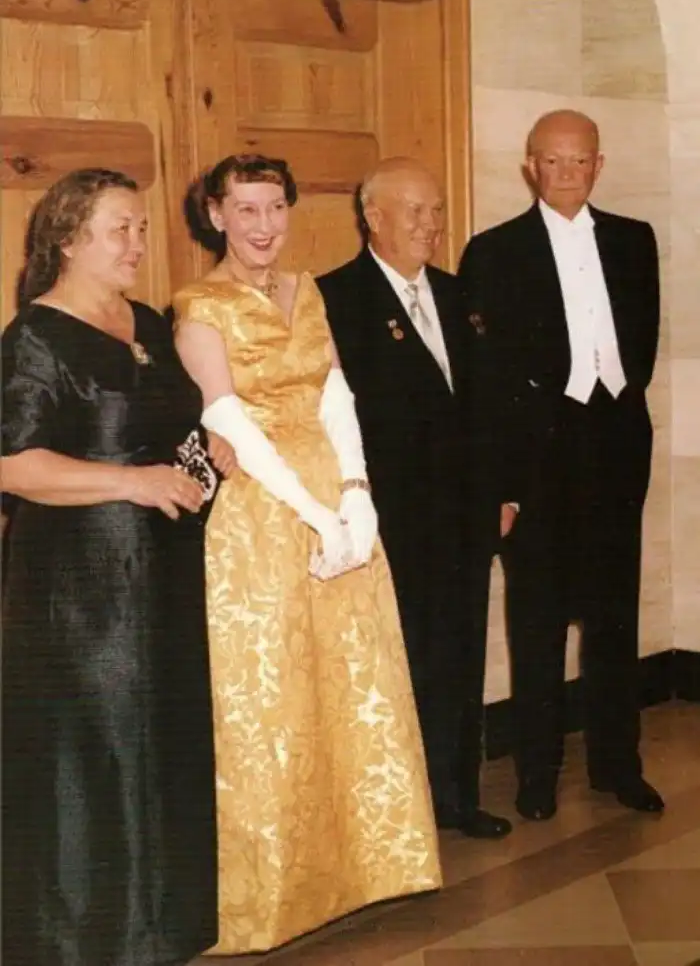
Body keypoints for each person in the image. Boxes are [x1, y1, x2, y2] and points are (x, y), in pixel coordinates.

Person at [172, 153, 441, 955]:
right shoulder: (197, 304)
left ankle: (365, 871)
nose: (264, 226)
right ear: (216, 215)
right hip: (263, 511)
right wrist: (315, 512)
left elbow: (335, 394)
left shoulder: (308, 290)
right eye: (246, 210)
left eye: (275, 208)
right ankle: (275, 897)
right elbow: (230, 419)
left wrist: (356, 491)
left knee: (353, 682)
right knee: (276, 698)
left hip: (334, 498)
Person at [1, 167, 235, 966]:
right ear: (69, 239)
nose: (138, 243)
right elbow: (14, 466)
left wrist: (204, 447)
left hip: (162, 575)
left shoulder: (145, 320)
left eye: (140, 227)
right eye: (120, 229)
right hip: (82, 589)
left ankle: (158, 934)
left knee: (160, 744)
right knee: (97, 753)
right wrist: (130, 482)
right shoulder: (35, 337)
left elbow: (161, 421)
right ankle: (83, 943)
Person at [458, 109, 664, 821]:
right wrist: (504, 482)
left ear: (599, 166)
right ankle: (538, 774)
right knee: (537, 621)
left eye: (580, 161)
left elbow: (642, 344)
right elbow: (486, 382)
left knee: (614, 618)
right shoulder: (494, 252)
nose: (567, 173)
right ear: (531, 167)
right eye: (553, 161)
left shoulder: (636, 240)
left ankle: (618, 764)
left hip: (615, 446)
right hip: (539, 457)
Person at [317, 157, 514, 840]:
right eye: (415, 212)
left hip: (465, 518)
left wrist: (504, 494)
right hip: (392, 521)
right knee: (400, 663)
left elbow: (491, 405)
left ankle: (457, 797)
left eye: (436, 211)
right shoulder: (335, 299)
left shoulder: (460, 297)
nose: (432, 225)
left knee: (460, 658)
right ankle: (400, 814)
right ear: (373, 217)